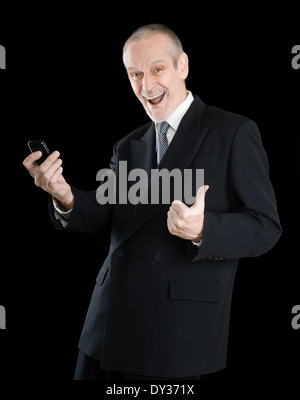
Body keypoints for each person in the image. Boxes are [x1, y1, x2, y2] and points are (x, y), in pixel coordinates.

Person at [23, 24, 282, 380]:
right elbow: (108, 215)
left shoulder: (233, 132)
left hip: (176, 331)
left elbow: (266, 226)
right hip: (108, 323)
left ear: (183, 67)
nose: (146, 86)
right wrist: (64, 195)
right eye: (135, 74)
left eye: (157, 69)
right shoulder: (129, 144)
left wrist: (204, 229)